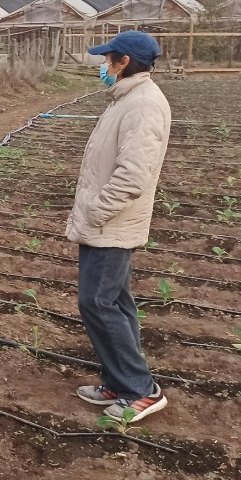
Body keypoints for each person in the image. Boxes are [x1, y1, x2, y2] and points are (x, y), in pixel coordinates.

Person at [70, 30, 171, 423]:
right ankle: (117, 380)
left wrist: (96, 212)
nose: (102, 65)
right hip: (107, 222)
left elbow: (132, 175)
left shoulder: (143, 105)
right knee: (114, 301)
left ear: (123, 62)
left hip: (111, 223)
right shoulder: (128, 98)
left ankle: (141, 389)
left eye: (106, 58)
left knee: (97, 302)